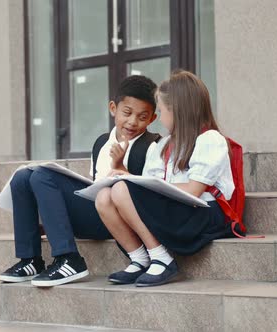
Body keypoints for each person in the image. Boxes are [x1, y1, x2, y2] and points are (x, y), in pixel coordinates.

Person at [0, 75, 161, 287]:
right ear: (113, 108)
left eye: (142, 116)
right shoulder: (102, 143)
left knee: (44, 175)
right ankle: (30, 260)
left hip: (118, 219)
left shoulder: (153, 146)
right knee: (23, 177)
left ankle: (69, 259)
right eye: (127, 113)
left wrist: (123, 170)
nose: (132, 122)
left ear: (152, 119)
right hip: (94, 211)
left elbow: (150, 195)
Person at [95, 70, 236, 287]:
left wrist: (135, 184)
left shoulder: (210, 140)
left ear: (178, 111)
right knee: (104, 196)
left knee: (122, 190)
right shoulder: (162, 146)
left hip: (203, 213)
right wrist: (124, 170)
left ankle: (161, 257)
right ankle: (140, 258)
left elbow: (193, 191)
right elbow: (149, 185)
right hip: (178, 208)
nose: (158, 118)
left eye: (161, 111)